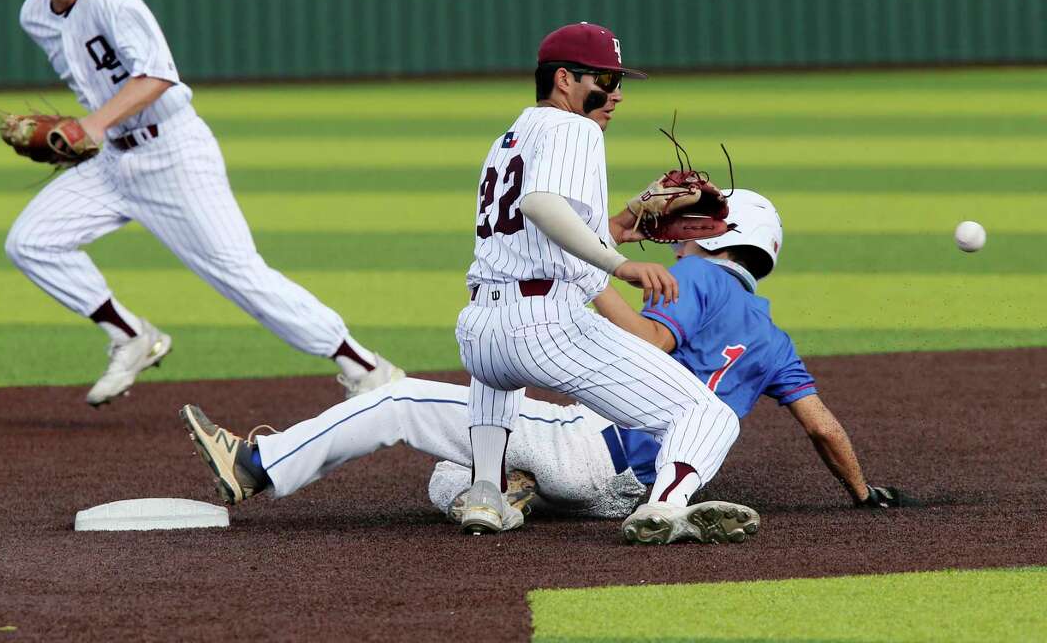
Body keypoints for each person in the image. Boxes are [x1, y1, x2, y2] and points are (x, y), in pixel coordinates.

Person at [177, 189, 907, 542]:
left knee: (396, 402)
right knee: (454, 471)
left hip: (588, 446)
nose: (683, 236)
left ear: (725, 238)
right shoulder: (776, 339)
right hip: (625, 491)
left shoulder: (702, 281)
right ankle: (517, 493)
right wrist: (861, 491)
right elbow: (823, 427)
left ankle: (258, 464)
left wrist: (594, 287)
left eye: (697, 228)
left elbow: (652, 345)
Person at [7, 0, 403, 407]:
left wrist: (91, 124)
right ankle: (131, 336)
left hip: (172, 153)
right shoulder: (35, 15)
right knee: (32, 241)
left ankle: (365, 366)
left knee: (239, 273)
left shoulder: (114, 1)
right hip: (113, 162)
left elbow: (156, 74)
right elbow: (98, 83)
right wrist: (86, 133)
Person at [454, 22, 754, 543]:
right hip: (544, 327)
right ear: (564, 79)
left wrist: (628, 220)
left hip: (480, 331)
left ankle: (484, 491)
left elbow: (546, 231)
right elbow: (542, 205)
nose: (615, 95)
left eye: (620, 83)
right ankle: (664, 507)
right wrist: (620, 264)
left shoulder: (512, 136)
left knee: (499, 379)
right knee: (706, 413)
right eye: (604, 80)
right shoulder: (575, 130)